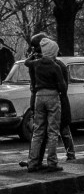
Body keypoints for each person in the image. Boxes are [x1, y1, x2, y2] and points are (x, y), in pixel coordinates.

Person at [24, 38, 65, 172]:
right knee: (52, 131)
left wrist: (33, 54)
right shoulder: (55, 66)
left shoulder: (36, 64)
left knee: (38, 131)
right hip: (52, 96)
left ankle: (32, 162)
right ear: (53, 52)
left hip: (39, 96)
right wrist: (59, 90)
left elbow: (26, 62)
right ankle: (52, 162)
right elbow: (62, 86)